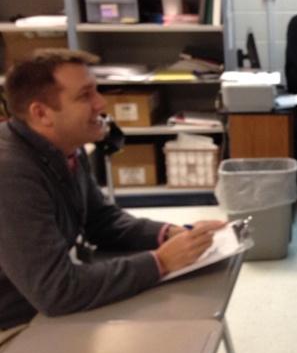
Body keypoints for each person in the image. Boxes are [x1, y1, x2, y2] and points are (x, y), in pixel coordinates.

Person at [0, 49, 226, 333]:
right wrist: (161, 262)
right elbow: (56, 291)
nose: (101, 103)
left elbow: (101, 221)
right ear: (41, 113)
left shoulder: (64, 147)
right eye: (85, 96)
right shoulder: (11, 173)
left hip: (40, 308)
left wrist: (171, 234)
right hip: (16, 323)